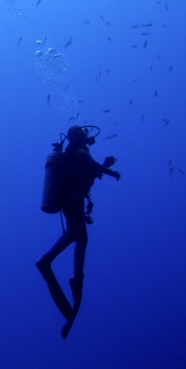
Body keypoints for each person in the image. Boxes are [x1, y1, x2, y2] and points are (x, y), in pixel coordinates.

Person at [36, 125, 121, 338]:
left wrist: (103, 166)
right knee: (76, 235)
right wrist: (110, 170)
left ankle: (76, 279)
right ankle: (48, 262)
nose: (87, 135)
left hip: (72, 198)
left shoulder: (74, 151)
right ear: (78, 136)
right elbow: (90, 166)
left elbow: (88, 172)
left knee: (81, 238)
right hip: (72, 199)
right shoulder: (80, 151)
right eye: (84, 133)